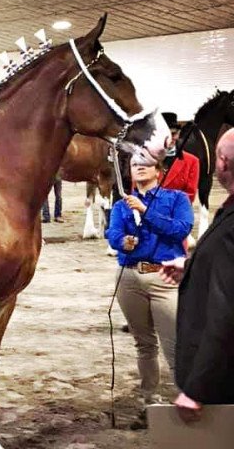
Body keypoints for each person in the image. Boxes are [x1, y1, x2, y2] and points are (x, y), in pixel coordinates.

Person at [106, 158, 194, 418]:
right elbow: (111, 232)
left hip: (165, 278)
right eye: (135, 164)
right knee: (143, 344)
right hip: (129, 278)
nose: (140, 167)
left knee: (175, 343)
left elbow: (181, 229)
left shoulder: (177, 199)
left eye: (146, 163)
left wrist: (145, 211)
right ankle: (149, 400)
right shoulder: (122, 205)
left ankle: (188, 398)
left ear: (159, 171)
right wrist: (123, 241)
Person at [160, 128, 234, 423]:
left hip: (223, 385)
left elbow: (225, 312)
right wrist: (192, 267)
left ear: (223, 163)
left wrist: (197, 389)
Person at [159, 112, 200, 204]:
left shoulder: (192, 161)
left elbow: (189, 195)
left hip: (176, 214)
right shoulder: (146, 159)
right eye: (166, 134)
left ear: (179, 134)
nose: (170, 138)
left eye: (173, 134)